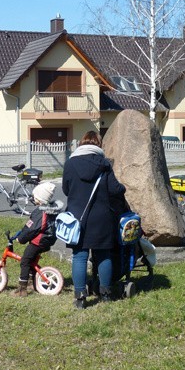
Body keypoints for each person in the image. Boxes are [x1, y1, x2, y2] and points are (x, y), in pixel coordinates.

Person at [62, 130, 126, 309]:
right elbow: (115, 190)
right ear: (98, 145)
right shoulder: (104, 164)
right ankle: (105, 294)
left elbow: (66, 189)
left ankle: (80, 297)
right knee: (103, 255)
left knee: (80, 257)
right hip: (102, 217)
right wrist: (122, 187)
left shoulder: (70, 163)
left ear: (82, 144)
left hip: (77, 217)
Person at [11, 181, 61, 297]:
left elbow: (31, 228)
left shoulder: (40, 212)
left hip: (39, 241)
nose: (34, 198)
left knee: (25, 261)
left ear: (40, 199)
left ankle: (22, 288)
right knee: (32, 260)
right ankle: (33, 283)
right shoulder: (51, 208)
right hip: (47, 239)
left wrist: (21, 238)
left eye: (35, 196)